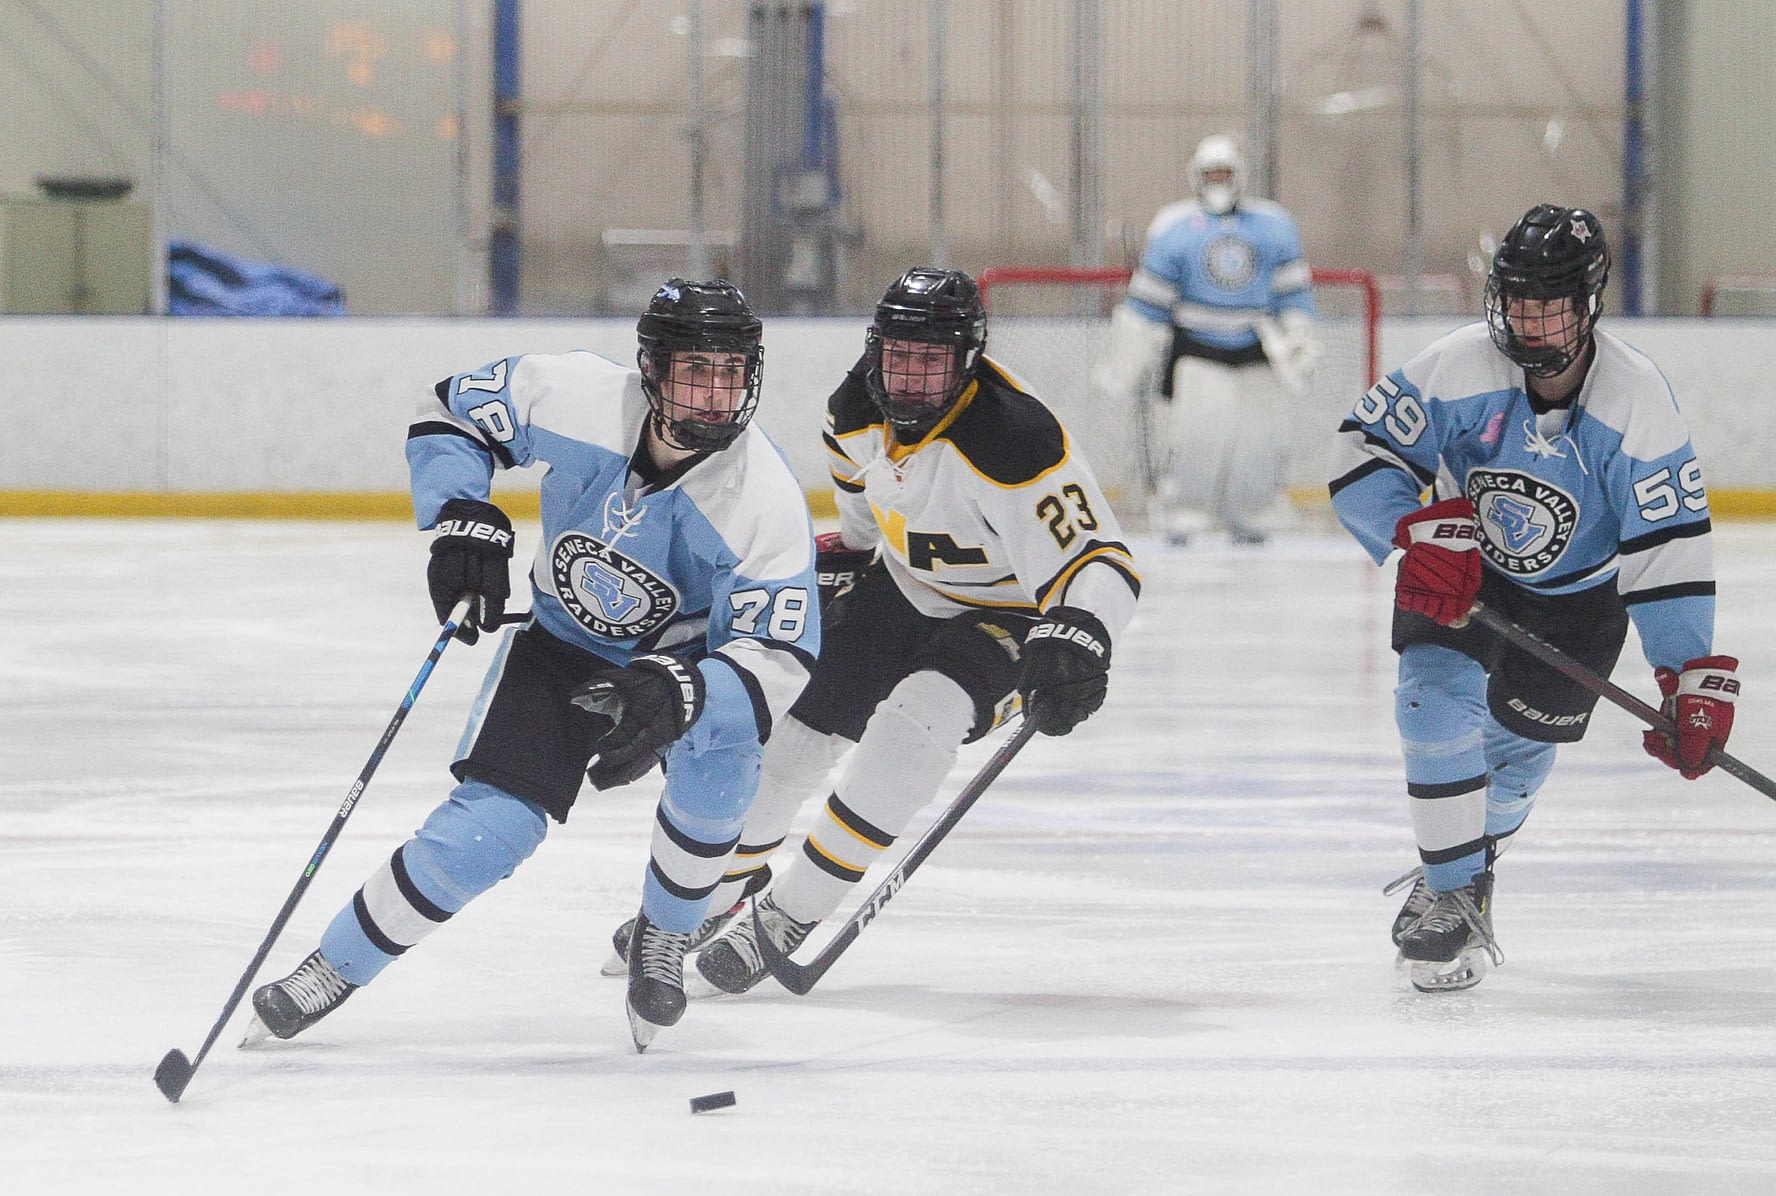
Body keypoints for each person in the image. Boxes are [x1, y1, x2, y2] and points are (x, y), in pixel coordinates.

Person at [243, 279, 820, 1052]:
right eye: (695, 371)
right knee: (491, 832)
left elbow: (777, 655)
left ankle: (667, 935)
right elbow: (451, 409)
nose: (716, 395)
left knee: (722, 768)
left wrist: (685, 689)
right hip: (563, 643)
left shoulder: (765, 500)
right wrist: (461, 515)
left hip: (684, 661)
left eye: (731, 373)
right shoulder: (575, 395)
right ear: (650, 368)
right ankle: (331, 967)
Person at [604, 267, 1141, 995]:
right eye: (900, 355)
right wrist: (849, 560)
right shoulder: (856, 404)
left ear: (969, 358)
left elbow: (1102, 560)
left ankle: (795, 909)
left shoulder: (1015, 438)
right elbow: (861, 504)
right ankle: (698, 897)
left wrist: (1079, 632)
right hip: (904, 588)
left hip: (1012, 615)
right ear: (875, 348)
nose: (912, 377)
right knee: (793, 735)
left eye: (932, 360)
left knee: (920, 718)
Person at [1330, 204, 1739, 993]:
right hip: (1463, 568)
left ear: (1587, 303)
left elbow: (1669, 547)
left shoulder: (1636, 399)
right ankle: (1447, 890)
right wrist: (1412, 530)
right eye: (1518, 298)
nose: (1530, 318)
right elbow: (1363, 446)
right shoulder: (1457, 366)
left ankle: (1471, 872)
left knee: (1517, 756)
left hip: (1580, 600)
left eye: (1549, 301)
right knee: (1430, 701)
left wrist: (1687, 676)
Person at [1093, 133, 1319, 544]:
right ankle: (1184, 515)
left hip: (1257, 347)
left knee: (1257, 442)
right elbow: (1148, 303)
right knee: (1197, 439)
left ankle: (1252, 515)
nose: (1218, 179)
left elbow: (1292, 291)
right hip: (1198, 348)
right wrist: (1129, 357)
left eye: (1225, 172)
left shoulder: (1273, 224)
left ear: (1240, 175)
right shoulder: (1174, 226)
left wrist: (1299, 335)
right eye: (1211, 172)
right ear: (1196, 176)